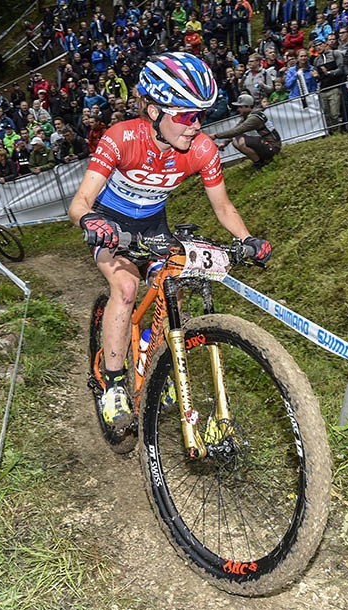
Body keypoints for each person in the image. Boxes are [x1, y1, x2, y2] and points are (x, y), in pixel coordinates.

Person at [67, 53, 272, 428]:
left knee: (172, 288)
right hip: (111, 223)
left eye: (200, 115)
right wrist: (92, 220)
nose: (195, 126)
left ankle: (153, 354)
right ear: (152, 110)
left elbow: (223, 207)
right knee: (126, 287)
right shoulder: (122, 137)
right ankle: (113, 385)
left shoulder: (202, 149)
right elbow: (79, 203)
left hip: (153, 224)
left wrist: (247, 239)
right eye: (185, 115)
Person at [211, 93, 282, 168]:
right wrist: (225, 143)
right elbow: (236, 129)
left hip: (273, 147)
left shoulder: (254, 118)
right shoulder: (250, 115)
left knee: (241, 141)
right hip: (270, 144)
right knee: (236, 140)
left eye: (240, 107)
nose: (238, 109)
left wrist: (216, 136)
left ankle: (259, 163)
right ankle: (260, 160)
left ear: (247, 106)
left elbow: (237, 131)